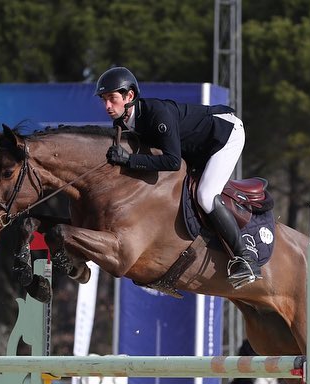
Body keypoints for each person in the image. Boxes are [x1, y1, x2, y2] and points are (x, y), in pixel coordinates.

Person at [95, 66, 259, 289]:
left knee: (205, 195)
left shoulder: (156, 115)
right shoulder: (122, 123)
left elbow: (172, 161)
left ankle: (246, 258)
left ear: (129, 96)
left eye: (112, 98)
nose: (107, 106)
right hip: (196, 148)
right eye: (104, 99)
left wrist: (129, 160)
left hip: (224, 135)